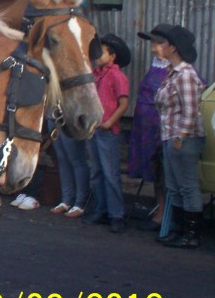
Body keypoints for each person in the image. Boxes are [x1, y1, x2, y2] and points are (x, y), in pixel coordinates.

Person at [150, 24, 205, 249]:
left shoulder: (185, 75)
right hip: (171, 136)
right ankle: (180, 230)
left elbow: (190, 110)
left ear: (173, 48)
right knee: (174, 186)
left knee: (187, 186)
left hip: (184, 138)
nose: (159, 47)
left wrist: (180, 136)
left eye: (163, 43)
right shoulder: (172, 73)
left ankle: (191, 234)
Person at [84, 34, 131, 233]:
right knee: (96, 172)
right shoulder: (95, 74)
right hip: (93, 128)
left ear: (112, 56)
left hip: (107, 130)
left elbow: (124, 103)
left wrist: (110, 121)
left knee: (111, 173)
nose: (97, 55)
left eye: (102, 51)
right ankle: (101, 209)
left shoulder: (117, 76)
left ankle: (116, 214)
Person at [129, 25, 173, 231]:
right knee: (155, 172)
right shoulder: (156, 65)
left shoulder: (177, 69)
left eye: (157, 43)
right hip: (145, 128)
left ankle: (166, 214)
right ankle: (160, 210)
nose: (153, 47)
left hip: (162, 129)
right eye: (153, 43)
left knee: (165, 173)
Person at [49, 128, 89, 219]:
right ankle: (66, 200)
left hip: (71, 119)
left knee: (76, 159)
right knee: (62, 159)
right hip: (54, 117)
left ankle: (80, 203)